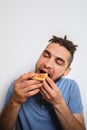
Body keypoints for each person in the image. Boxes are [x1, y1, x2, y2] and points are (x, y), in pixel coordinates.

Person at [0, 35, 86, 130]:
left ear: (66, 71)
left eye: (58, 62)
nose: (47, 64)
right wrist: (15, 101)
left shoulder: (71, 87)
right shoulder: (18, 85)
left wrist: (58, 103)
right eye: (45, 55)